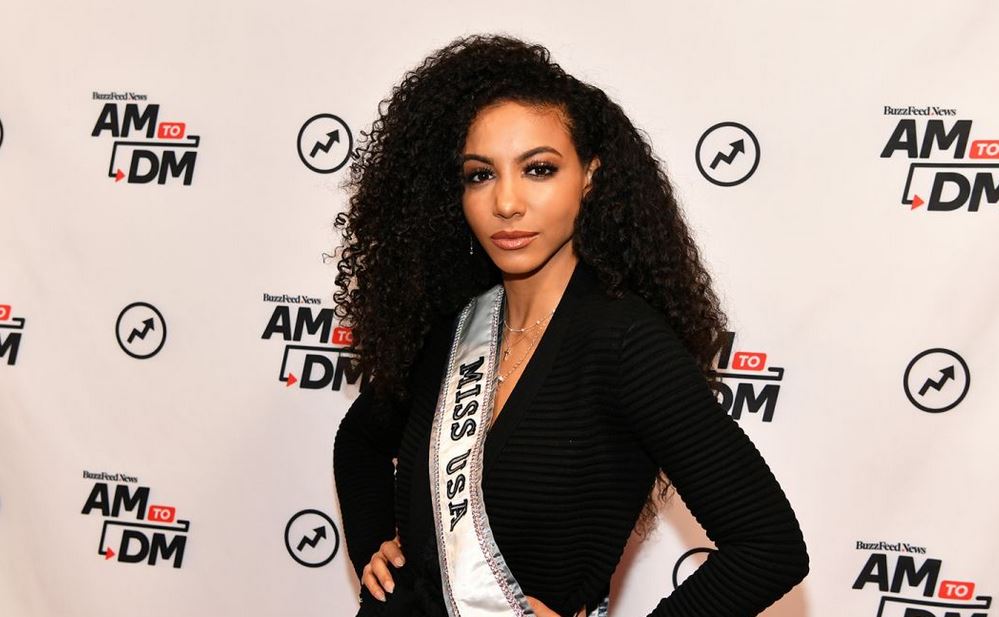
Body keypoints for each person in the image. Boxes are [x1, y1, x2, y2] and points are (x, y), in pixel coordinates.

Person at [332, 33, 809, 617]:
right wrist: (372, 544)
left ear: (590, 177)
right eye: (480, 175)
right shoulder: (451, 325)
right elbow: (359, 443)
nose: (507, 202)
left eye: (538, 169)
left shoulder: (625, 342)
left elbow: (769, 548)